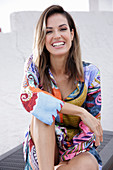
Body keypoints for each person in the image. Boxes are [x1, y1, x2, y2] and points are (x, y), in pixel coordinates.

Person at [20, 5, 103, 170]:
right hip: (42, 148)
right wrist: (80, 111)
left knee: (86, 165)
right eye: (49, 31)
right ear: (42, 38)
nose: (56, 35)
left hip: (77, 149)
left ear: (71, 34)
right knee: (42, 113)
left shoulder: (90, 74)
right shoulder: (34, 67)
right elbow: (29, 98)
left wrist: (68, 159)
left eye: (62, 29)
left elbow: (91, 126)